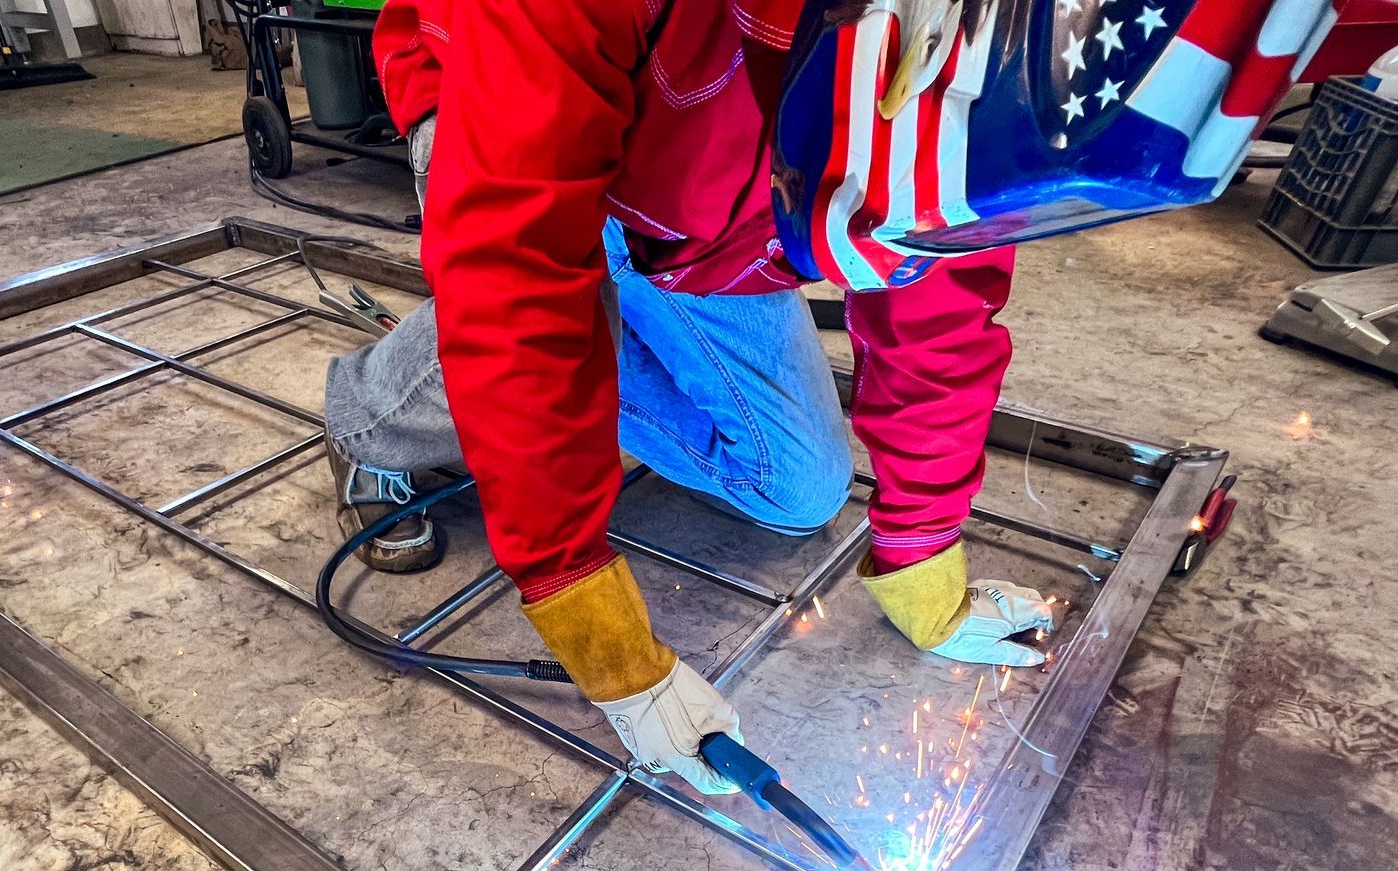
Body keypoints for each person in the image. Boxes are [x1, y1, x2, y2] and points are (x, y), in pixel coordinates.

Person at [322, 0, 1050, 795]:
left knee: (799, 487)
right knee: (525, 321)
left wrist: (923, 559)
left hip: (709, 194)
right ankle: (368, 418)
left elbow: (939, 285)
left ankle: (592, 329)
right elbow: (517, 276)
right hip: (508, 109)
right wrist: (609, 649)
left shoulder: (979, 35)